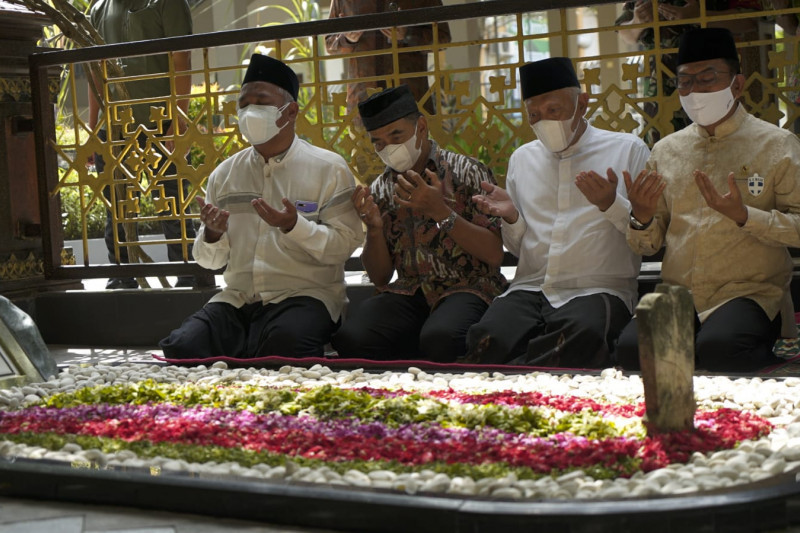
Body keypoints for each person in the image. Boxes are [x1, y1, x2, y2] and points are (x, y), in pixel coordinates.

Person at [616, 27, 800, 372]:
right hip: (678, 293)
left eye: (707, 78)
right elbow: (647, 243)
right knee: (632, 352)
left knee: (721, 349)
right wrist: (640, 217)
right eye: (685, 81)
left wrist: (746, 216)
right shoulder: (667, 151)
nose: (694, 91)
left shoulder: (777, 145)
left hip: (749, 291)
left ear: (737, 84)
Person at [159, 54, 364, 359]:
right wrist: (213, 235)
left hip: (303, 295)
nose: (249, 110)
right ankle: (251, 343)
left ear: (291, 111)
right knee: (182, 347)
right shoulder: (225, 175)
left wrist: (294, 226)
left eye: (261, 100)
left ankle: (259, 344)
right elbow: (208, 262)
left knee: (286, 347)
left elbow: (343, 246)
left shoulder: (327, 168)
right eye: (244, 103)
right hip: (238, 299)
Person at [463, 57, 651, 368]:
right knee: (486, 338)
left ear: (582, 104)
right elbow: (518, 247)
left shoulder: (627, 150)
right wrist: (512, 218)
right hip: (532, 286)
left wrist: (611, 204)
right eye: (534, 115)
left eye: (554, 111)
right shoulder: (522, 159)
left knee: (583, 333)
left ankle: (525, 384)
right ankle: (529, 377)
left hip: (597, 287)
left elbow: (646, 237)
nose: (544, 122)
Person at [330, 85, 507, 362]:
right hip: (411, 291)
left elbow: (494, 255)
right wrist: (374, 230)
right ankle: (396, 391)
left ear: (421, 127)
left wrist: (439, 211)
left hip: (470, 286)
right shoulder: (383, 188)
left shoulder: (466, 171)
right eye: (378, 142)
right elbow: (380, 278)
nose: (388, 147)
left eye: (396, 135)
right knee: (353, 337)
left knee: (442, 337)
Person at [87, 0, 207, 289]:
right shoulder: (98, 9)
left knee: (172, 200)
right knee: (116, 206)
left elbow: (182, 58)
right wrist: (94, 129)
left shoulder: (168, 3)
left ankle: (188, 271)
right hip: (115, 125)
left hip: (161, 121)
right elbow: (95, 71)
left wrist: (178, 120)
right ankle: (122, 275)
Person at [325, 0, 451, 122]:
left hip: (410, 99)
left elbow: (443, 38)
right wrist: (347, 39)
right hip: (363, 101)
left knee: (414, 143)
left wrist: (408, 34)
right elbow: (329, 43)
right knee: (366, 143)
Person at [617, 0, 697, 144]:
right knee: (661, 148)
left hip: (705, 80)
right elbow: (625, 34)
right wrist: (638, 21)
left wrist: (698, 15)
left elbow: (747, 20)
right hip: (659, 86)